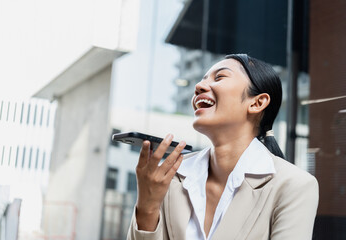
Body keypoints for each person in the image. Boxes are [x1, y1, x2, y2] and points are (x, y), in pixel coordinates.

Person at [127, 54, 319, 240]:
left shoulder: (294, 186)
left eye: (219, 77)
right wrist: (147, 207)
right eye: (202, 79)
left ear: (257, 102)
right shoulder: (169, 177)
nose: (199, 86)